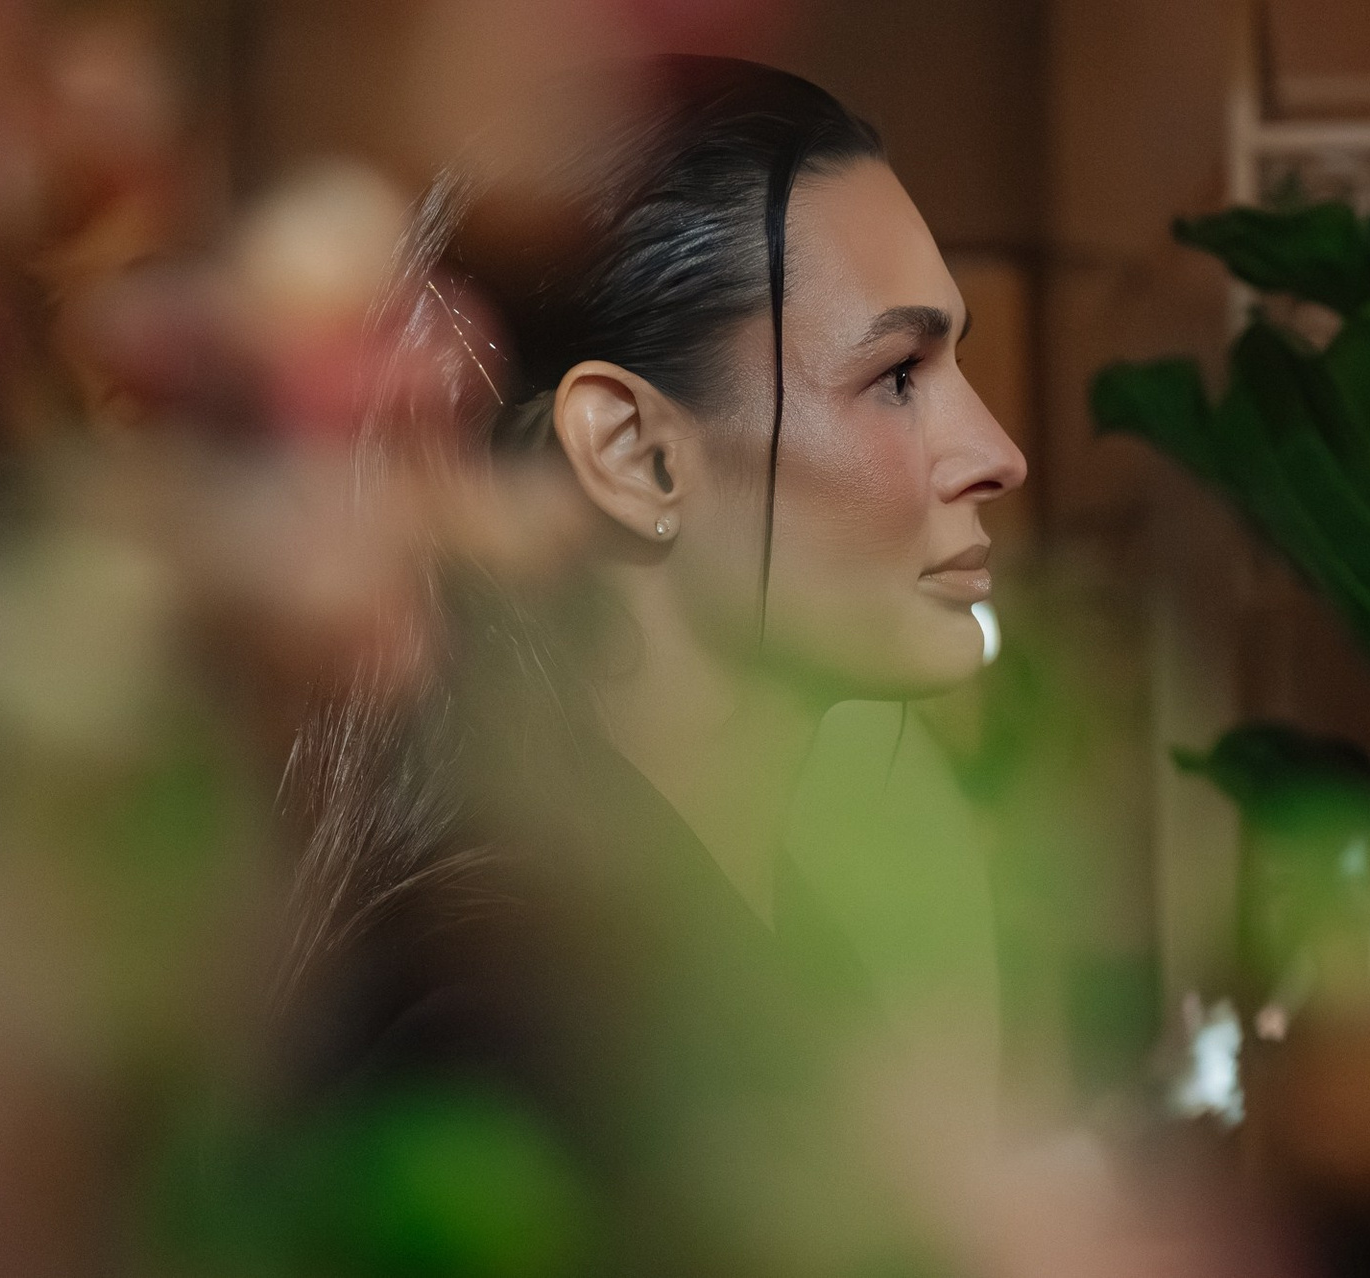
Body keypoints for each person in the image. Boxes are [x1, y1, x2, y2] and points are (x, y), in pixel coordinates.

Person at [263, 54, 1028, 1278]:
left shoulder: (760, 932)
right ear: (632, 452)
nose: (995, 451)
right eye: (896, 377)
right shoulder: (502, 1031)